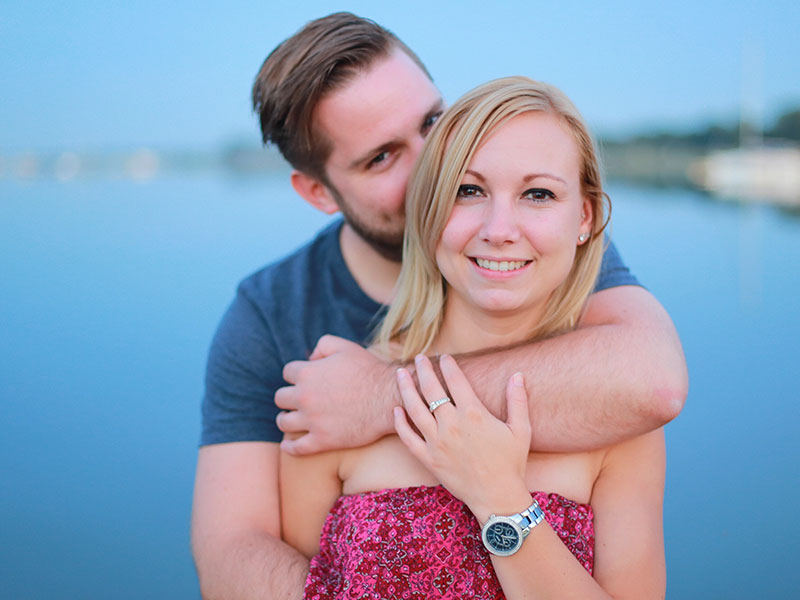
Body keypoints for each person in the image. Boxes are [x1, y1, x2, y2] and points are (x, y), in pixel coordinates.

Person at [191, 12, 686, 599]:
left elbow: (653, 382)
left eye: (433, 120)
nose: (435, 159)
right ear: (319, 191)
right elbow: (231, 552)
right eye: (382, 156)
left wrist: (383, 397)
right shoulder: (272, 316)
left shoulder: (536, 251)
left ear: (583, 220)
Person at [281, 74, 665, 599]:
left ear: (584, 216)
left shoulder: (619, 418)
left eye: (538, 193)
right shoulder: (333, 403)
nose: (499, 227)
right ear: (429, 210)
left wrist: (499, 497)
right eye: (469, 190)